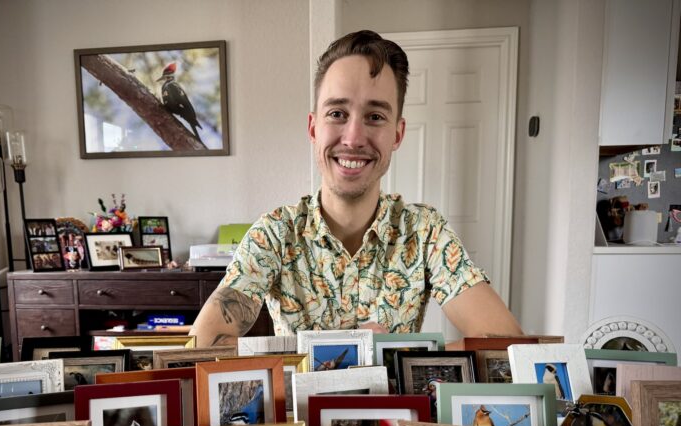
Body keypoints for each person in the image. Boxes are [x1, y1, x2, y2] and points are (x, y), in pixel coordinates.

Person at [190, 30, 522, 347]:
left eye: (375, 116)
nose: (353, 138)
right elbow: (203, 344)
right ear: (313, 127)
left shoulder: (425, 233)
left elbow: (503, 341)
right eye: (337, 113)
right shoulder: (275, 234)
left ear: (397, 134)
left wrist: (401, 354)